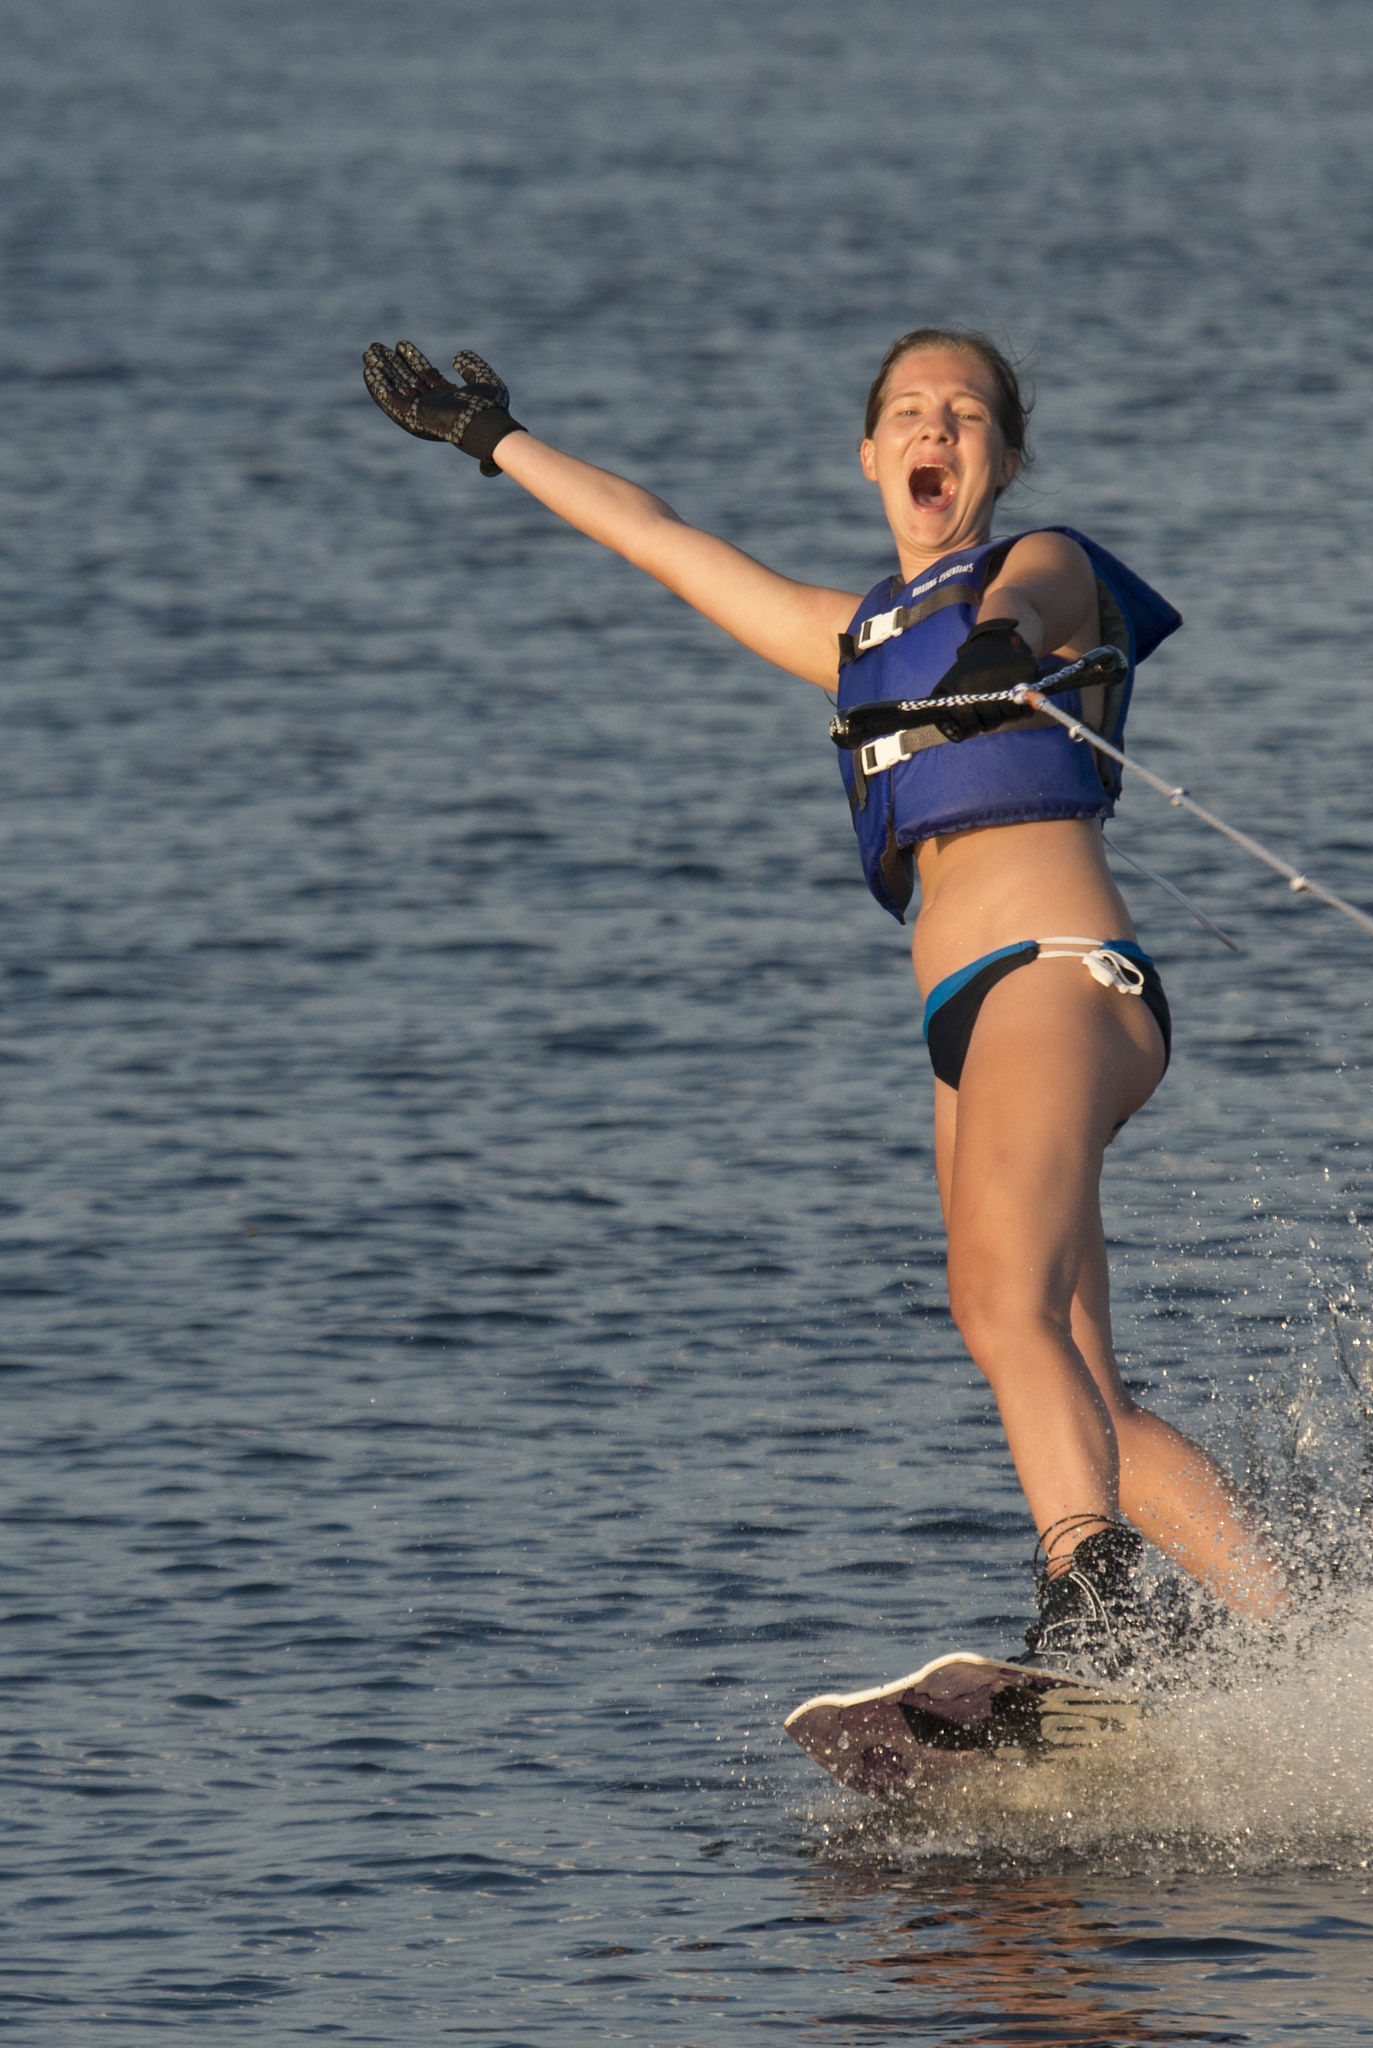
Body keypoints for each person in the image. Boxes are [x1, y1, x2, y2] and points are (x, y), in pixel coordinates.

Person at [362, 328, 1288, 1668]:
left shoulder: (1046, 570)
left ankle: (1093, 1590)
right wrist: (494, 441)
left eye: (968, 413)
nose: (937, 427)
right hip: (968, 1023)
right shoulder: (854, 638)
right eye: (910, 410)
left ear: (1005, 457)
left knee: (995, 1304)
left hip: (1058, 977)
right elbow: (663, 541)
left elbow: (1035, 594)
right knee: (1079, 1385)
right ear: (869, 454)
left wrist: (1000, 641)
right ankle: (1314, 1633)